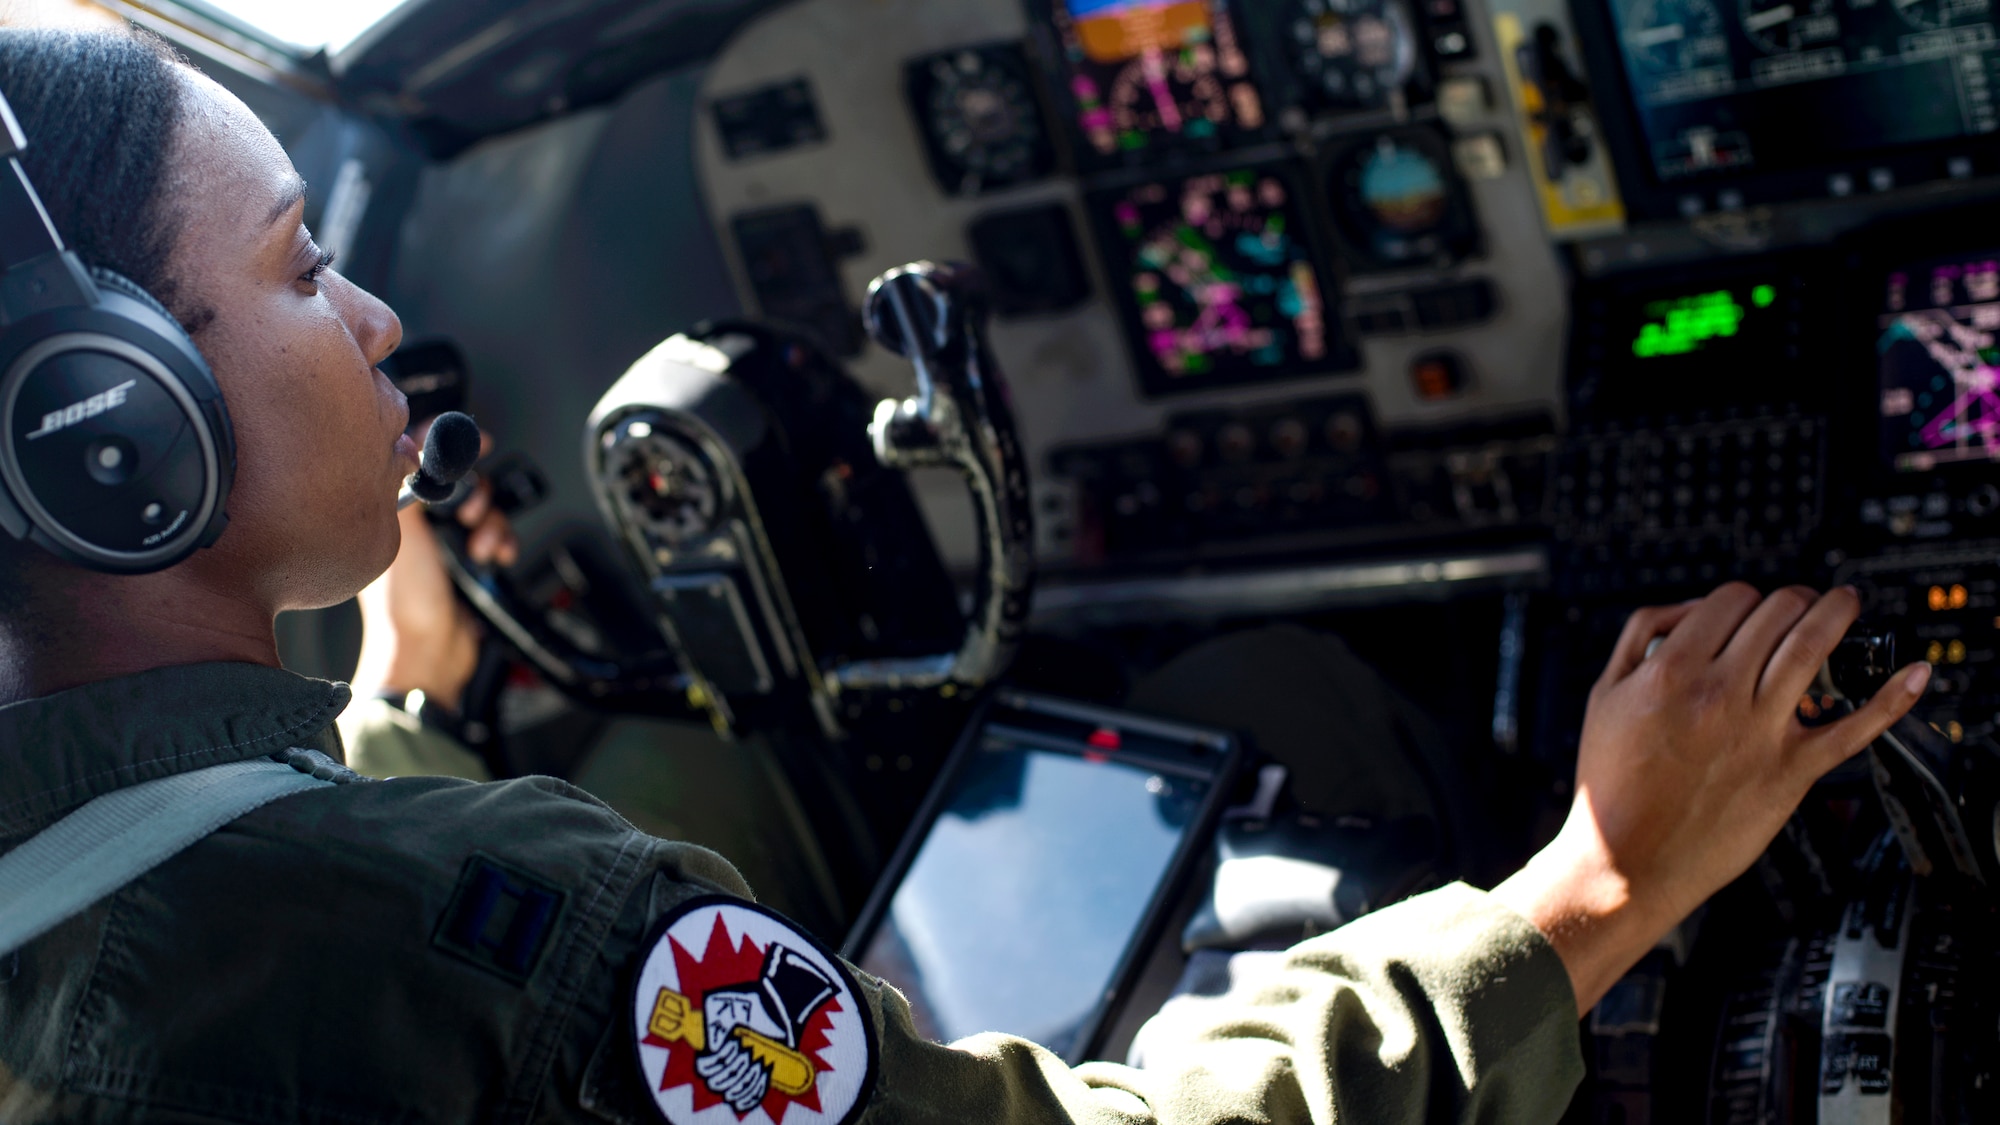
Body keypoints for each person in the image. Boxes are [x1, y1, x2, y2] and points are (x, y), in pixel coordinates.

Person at [0, 26, 1931, 1125]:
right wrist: (1596, 884)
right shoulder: (533, 932)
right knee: (1311, 719)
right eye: (296, 265)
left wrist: (396, 710)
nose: (378, 309)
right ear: (113, 425)